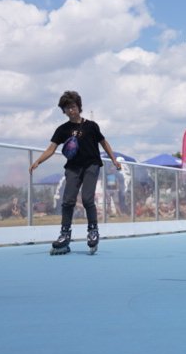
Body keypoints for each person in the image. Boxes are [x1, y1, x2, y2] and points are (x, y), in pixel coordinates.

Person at [30, 90, 123, 255]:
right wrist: (38, 161)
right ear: (64, 111)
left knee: (87, 199)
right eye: (67, 108)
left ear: (79, 107)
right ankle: (64, 234)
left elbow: (104, 143)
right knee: (67, 201)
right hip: (73, 167)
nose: (70, 110)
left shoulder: (91, 126)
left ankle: (93, 230)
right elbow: (51, 148)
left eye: (73, 106)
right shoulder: (62, 129)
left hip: (91, 165)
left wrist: (114, 159)